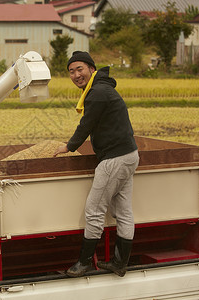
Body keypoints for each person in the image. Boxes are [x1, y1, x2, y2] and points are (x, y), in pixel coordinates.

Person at [54, 51, 139, 277]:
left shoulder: (98, 92)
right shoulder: (100, 89)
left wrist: (68, 147)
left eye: (79, 69)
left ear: (92, 69)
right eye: (71, 71)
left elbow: (86, 124)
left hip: (114, 159)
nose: (75, 75)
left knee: (94, 210)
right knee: (123, 211)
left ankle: (84, 263)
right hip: (128, 155)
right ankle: (119, 263)